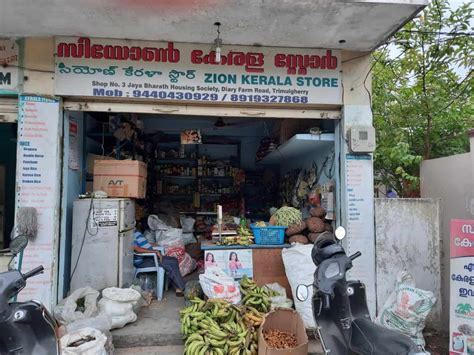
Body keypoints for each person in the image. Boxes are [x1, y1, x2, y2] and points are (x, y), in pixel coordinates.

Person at [133, 230, 186, 297]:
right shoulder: (131, 234)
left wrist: (154, 245)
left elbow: (144, 244)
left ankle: (178, 286)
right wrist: (154, 251)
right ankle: (181, 288)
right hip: (144, 261)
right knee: (170, 263)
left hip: (149, 257)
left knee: (174, 260)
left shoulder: (136, 232)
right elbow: (136, 249)